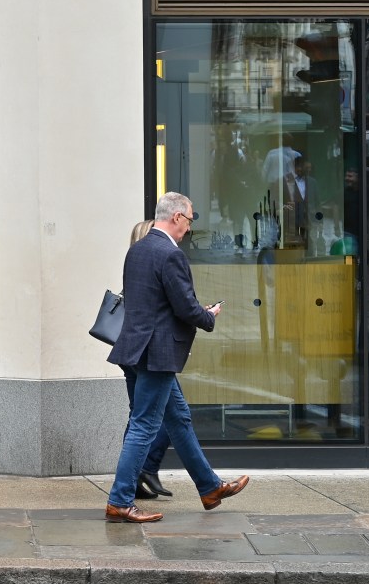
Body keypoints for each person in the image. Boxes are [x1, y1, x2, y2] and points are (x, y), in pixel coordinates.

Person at [105, 192, 249, 523]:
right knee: (143, 425)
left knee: (178, 418)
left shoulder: (137, 250)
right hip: (157, 353)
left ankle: (210, 488)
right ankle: (119, 500)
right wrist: (209, 315)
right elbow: (184, 306)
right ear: (178, 218)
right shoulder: (170, 255)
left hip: (135, 348)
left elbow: (150, 303)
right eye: (190, 220)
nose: (189, 228)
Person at [122, 220, 172, 502]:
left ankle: (138, 477)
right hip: (148, 354)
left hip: (132, 352)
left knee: (141, 416)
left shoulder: (134, 266)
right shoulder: (149, 266)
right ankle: (142, 473)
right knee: (152, 419)